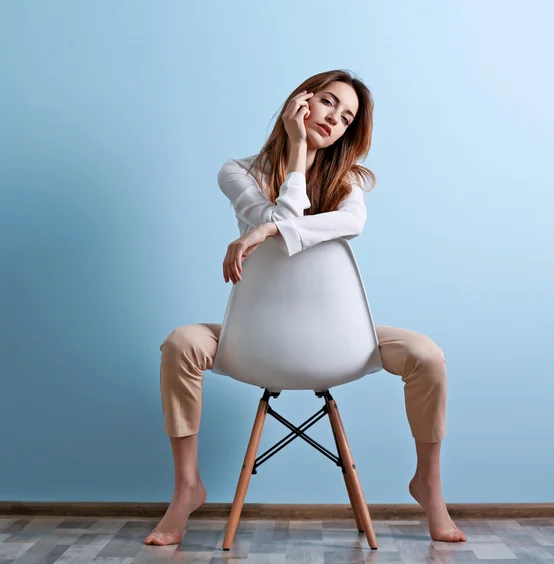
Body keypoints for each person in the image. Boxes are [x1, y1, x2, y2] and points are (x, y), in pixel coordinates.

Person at [144, 69, 467, 546]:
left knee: (428, 357)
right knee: (181, 345)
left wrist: (262, 233)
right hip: (254, 341)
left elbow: (349, 223)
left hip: (340, 341)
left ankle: (430, 489)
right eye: (329, 103)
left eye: (347, 117)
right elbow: (284, 216)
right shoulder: (238, 171)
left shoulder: (348, 182)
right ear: (302, 101)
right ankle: (186, 487)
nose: (335, 119)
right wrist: (296, 154)